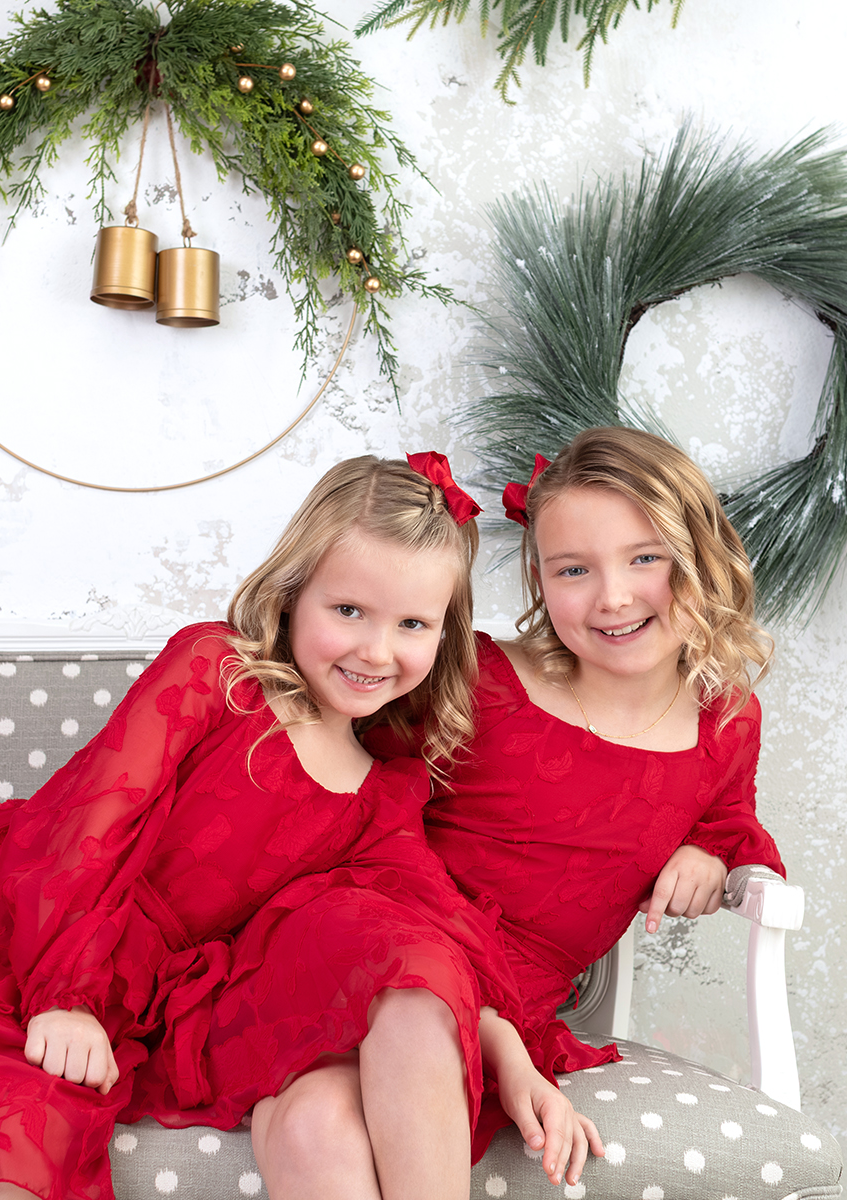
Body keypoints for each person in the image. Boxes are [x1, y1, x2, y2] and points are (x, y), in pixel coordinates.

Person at [0, 453, 541, 1200]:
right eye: (351, 609)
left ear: (445, 635)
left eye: (411, 625)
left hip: (128, 1010)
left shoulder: (378, 796)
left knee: (23, 1144)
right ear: (292, 596)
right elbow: (95, 818)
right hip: (20, 927)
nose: (375, 649)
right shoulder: (217, 673)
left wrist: (509, 1044)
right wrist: (66, 996)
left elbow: (431, 921)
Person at [270, 425, 785, 1178]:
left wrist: (708, 849)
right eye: (574, 569)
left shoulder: (725, 718)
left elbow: (729, 813)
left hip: (504, 1009)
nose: (613, 596)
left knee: (318, 1124)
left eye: (645, 558)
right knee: (394, 1029)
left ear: (701, 556)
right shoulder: (479, 679)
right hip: (373, 957)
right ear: (541, 583)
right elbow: (349, 797)